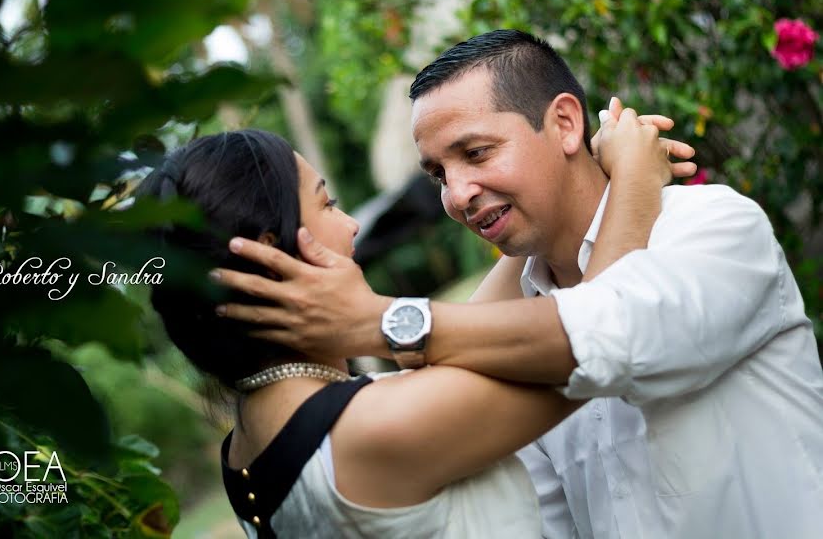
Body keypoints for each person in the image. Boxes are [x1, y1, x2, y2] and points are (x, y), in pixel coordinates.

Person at [212, 30, 823, 539]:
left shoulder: (712, 228)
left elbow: (613, 330)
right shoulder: (506, 327)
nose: (455, 196)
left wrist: (381, 319)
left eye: (475, 153)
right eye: (437, 174)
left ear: (563, 124)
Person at [139, 121, 684, 538]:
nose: (351, 224)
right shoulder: (369, 433)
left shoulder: (253, 441)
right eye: (326, 202)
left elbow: (483, 325)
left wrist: (558, 177)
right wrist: (636, 176)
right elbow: (592, 337)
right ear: (274, 253)